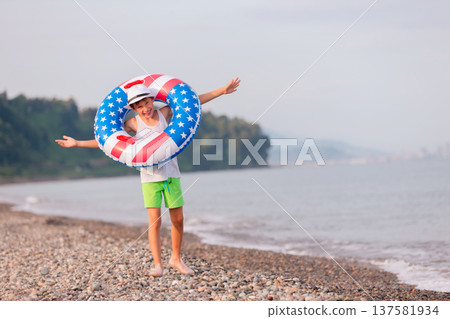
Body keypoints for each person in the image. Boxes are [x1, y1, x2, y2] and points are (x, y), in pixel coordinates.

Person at [55, 78, 240, 277]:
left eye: (147, 103)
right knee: (155, 221)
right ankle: (158, 265)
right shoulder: (133, 123)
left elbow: (194, 102)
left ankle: (176, 259)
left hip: (171, 174)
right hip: (150, 178)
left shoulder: (165, 113)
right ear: (133, 108)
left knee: (178, 219)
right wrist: (77, 143)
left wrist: (221, 91)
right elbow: (106, 142)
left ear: (153, 99)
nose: (145, 109)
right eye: (139, 106)